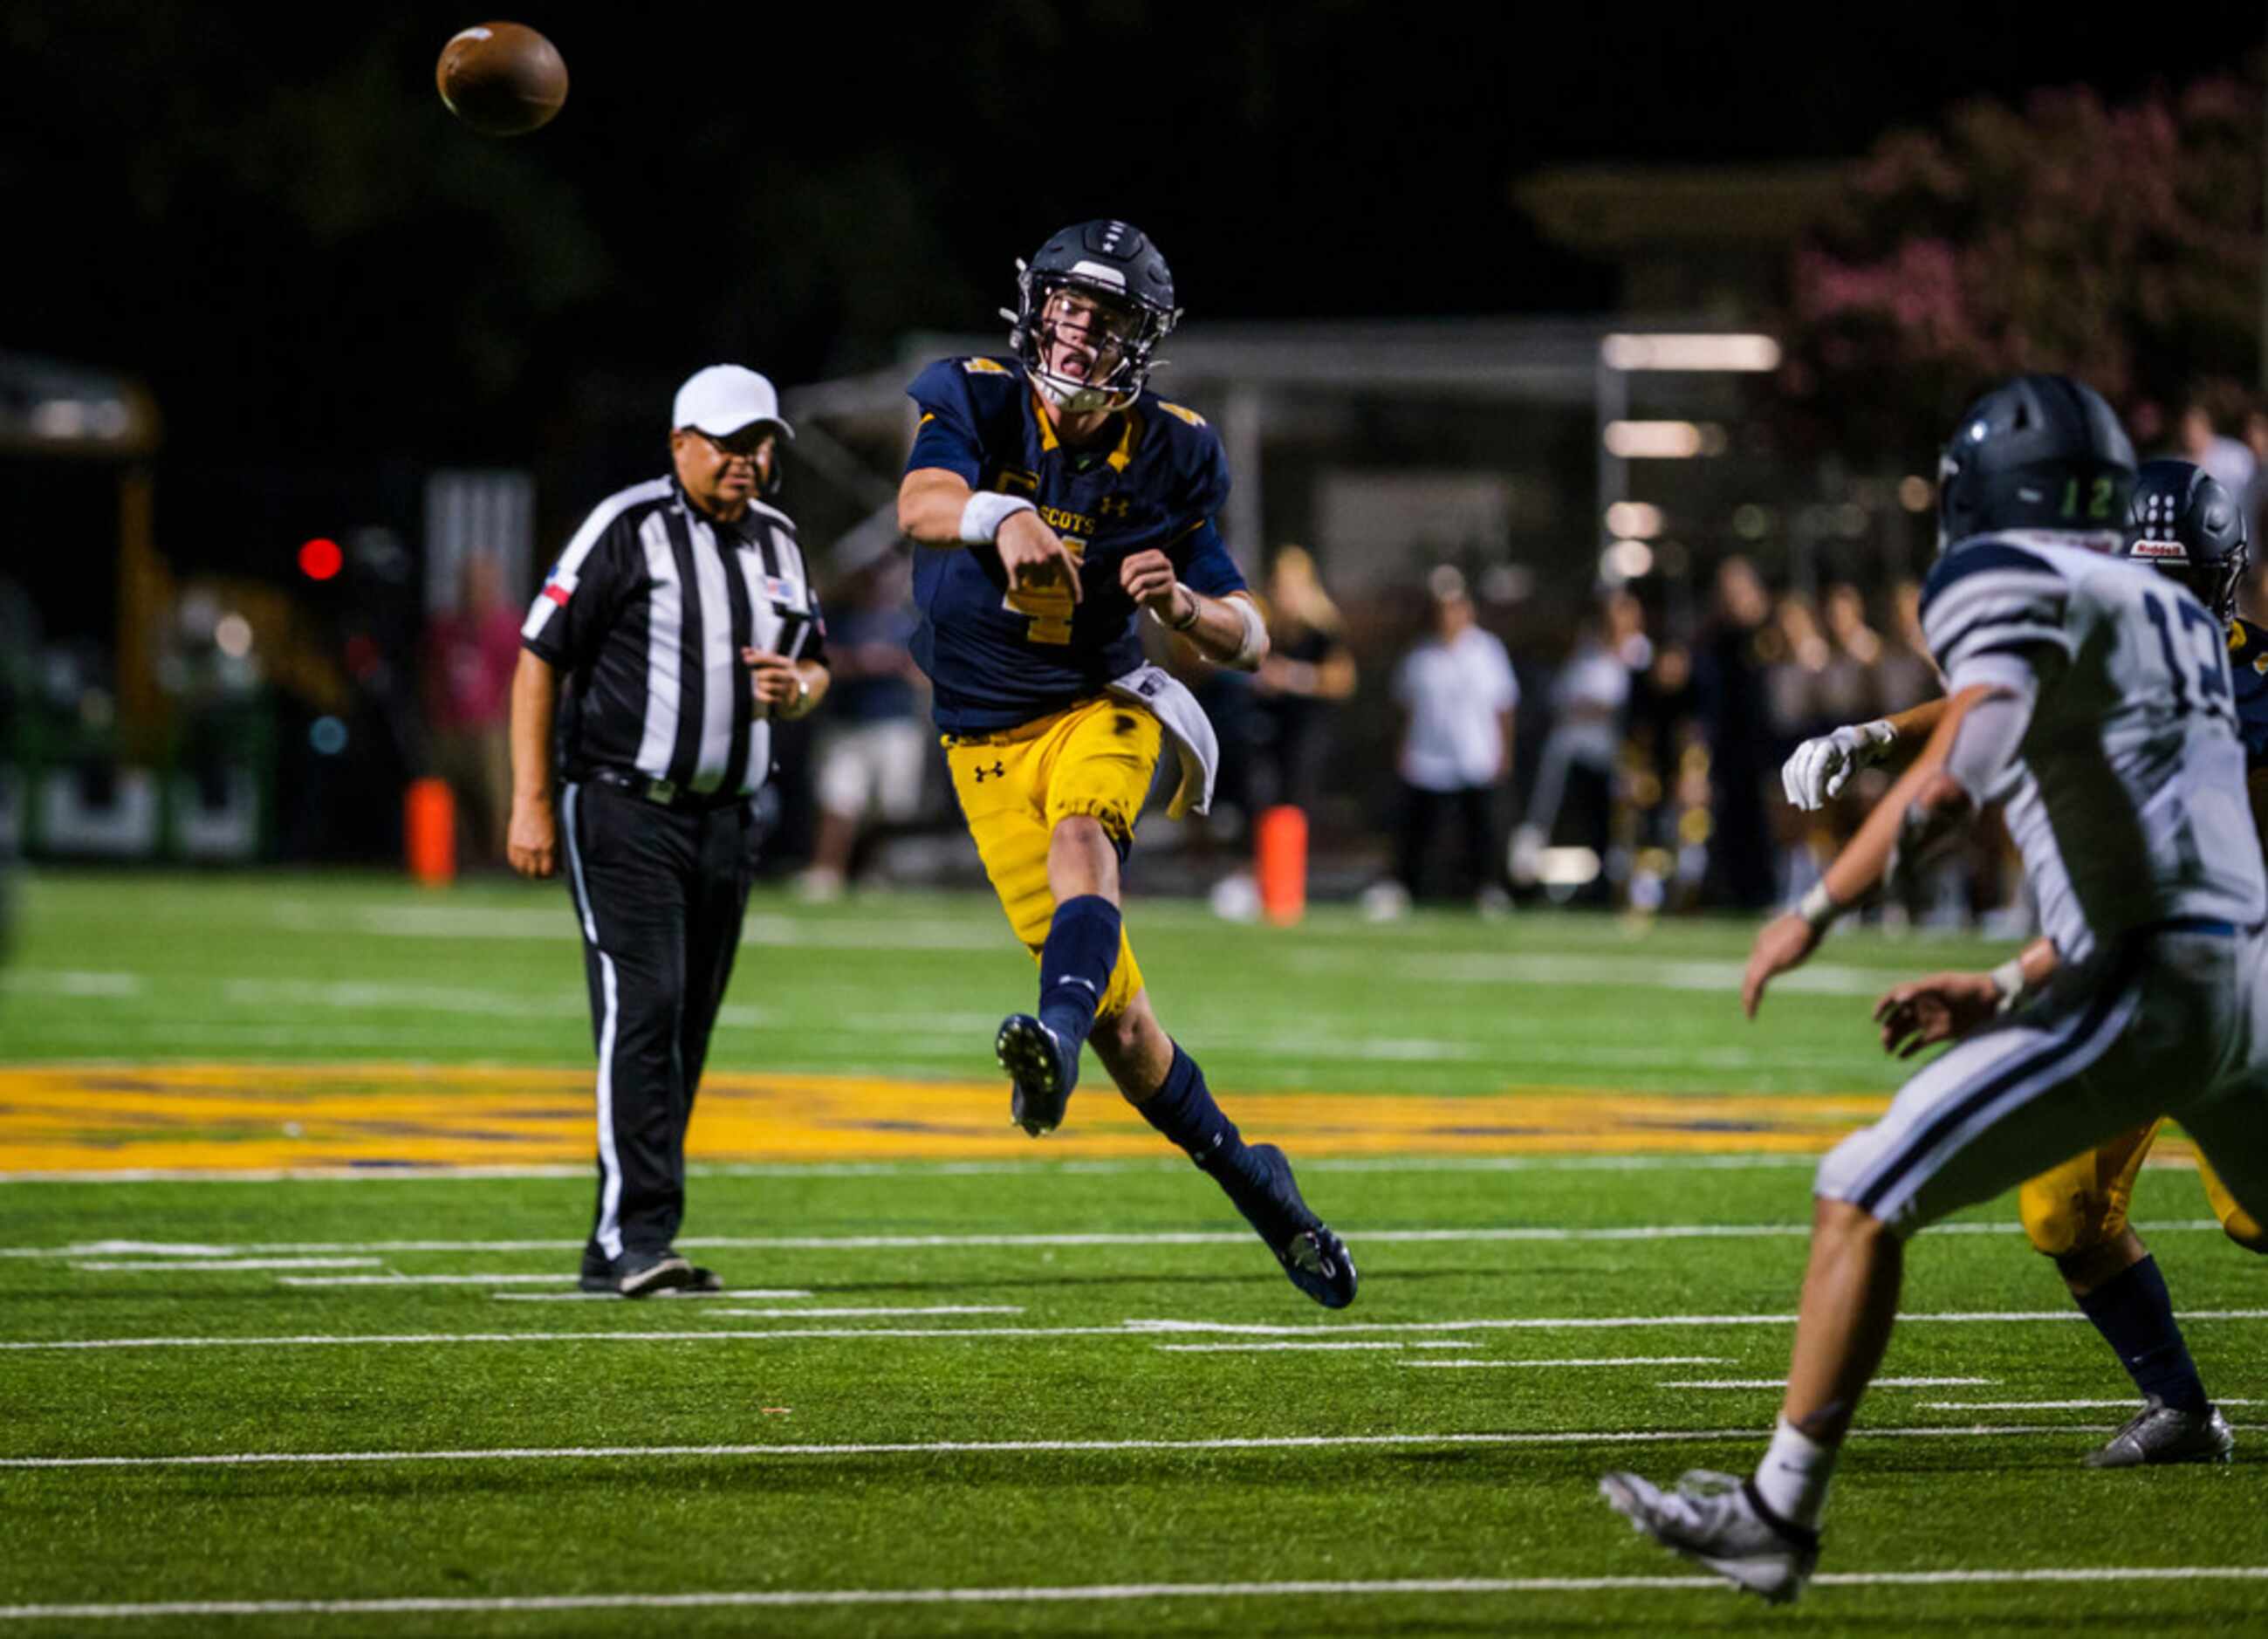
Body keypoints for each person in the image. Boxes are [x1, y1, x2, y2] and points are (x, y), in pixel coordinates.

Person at [1601, 375, 2268, 1601]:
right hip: (2243, 984)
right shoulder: (2182, 631)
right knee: (2090, 1209)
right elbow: (2176, 849)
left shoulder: (2017, 586)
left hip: (2145, 985)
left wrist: (1814, 906)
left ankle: (1773, 1513)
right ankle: (2175, 1404)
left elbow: (1960, 772)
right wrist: (2012, 974)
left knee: (1857, 1185)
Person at [894, 218, 1354, 1307]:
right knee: (1128, 1029)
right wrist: (1000, 516)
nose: (1074, 329)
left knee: (1082, 841)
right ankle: (1253, 1177)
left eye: (1101, 317)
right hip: (981, 736)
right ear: (1032, 304)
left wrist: (1186, 606)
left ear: (1139, 340)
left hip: (1102, 703)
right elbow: (919, 504)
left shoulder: (1172, 447)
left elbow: (1251, 634)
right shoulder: (976, 393)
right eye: (1063, 304)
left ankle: (1046, 1038)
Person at [1782, 457, 2267, 1468]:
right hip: (2128, 980)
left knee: (2256, 1218)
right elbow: (1989, 706)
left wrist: (2016, 975)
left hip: (2237, 984)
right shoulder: (2094, 657)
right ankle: (2179, 1410)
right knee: (2062, 1211)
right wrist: (1871, 734)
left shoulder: (2248, 694)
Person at [509, 365, 827, 1299]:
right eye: (728, 444)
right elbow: (540, 658)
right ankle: (635, 1235)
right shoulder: (626, 526)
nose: (747, 461)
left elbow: (817, 670)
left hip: (728, 818)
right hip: (622, 804)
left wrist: (798, 693)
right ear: (681, 443)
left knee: (686, 1024)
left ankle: (627, 1240)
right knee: (643, 1007)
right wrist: (529, 798)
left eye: (760, 443)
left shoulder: (779, 540)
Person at [1379, 565, 1518, 914]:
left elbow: (1504, 706)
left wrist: (1504, 751)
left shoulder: (1488, 651)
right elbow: (1405, 708)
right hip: (1427, 756)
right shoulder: (1420, 656)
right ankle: (1403, 887)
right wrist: (1403, 748)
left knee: (1481, 829)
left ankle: (1487, 889)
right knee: (1417, 828)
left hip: (1475, 754)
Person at [798, 551, 927, 900]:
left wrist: (897, 664)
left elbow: (926, 675)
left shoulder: (909, 624)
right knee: (839, 800)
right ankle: (827, 871)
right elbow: (819, 660)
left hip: (894, 722)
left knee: (889, 807)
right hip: (848, 722)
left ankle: (874, 872)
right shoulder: (841, 619)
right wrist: (860, 662)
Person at [424, 553, 524, 867]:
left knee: (497, 796)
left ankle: (500, 860)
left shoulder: (508, 625)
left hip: (491, 725)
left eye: (482, 581)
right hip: (449, 725)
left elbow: (519, 674)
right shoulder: (446, 626)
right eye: (469, 582)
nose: (474, 589)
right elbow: (431, 673)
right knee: (451, 796)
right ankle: (460, 859)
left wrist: (505, 714)